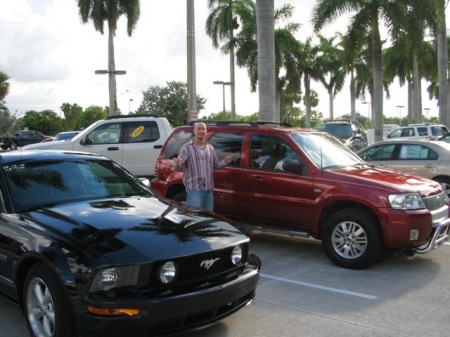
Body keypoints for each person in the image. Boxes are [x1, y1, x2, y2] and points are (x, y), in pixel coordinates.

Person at [173, 122, 232, 211]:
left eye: (203, 129)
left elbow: (215, 165)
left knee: (207, 218)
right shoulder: (187, 148)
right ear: (194, 131)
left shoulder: (210, 148)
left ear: (206, 131)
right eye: (199, 129)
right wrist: (178, 162)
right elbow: (178, 165)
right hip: (194, 190)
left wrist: (224, 162)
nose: (201, 131)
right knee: (195, 218)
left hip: (208, 189)